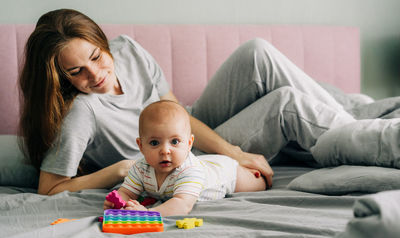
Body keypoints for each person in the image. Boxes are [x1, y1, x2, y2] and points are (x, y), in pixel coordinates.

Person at [19, 9, 353, 196]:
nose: (96, 75)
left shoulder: (128, 50)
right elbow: (49, 188)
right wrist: (117, 171)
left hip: (189, 127)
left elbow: (178, 113)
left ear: (102, 41)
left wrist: (234, 152)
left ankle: (352, 125)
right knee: (286, 102)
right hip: (182, 156)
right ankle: (361, 138)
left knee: (257, 51)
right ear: (61, 79)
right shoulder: (82, 112)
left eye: (96, 56)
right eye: (77, 72)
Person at [103, 100, 267, 216]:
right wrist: (119, 203)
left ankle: (255, 172)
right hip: (206, 162)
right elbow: (127, 192)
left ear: (189, 143)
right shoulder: (140, 168)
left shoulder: (189, 171)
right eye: (154, 143)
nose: (165, 150)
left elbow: (182, 204)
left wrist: (147, 213)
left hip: (225, 174)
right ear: (141, 146)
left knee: (258, 183)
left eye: (175, 142)